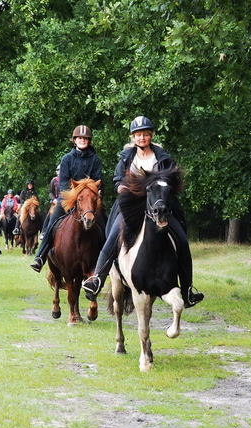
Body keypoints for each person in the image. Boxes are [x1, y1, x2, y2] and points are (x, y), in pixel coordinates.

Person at [81, 116, 204, 308]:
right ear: (133, 137)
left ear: (151, 136)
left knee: (181, 239)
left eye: (146, 134)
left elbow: (171, 180)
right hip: (132, 206)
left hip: (159, 205)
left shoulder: (163, 157)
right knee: (113, 235)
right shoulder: (126, 157)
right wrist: (122, 188)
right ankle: (97, 279)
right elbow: (117, 179)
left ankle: (187, 290)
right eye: (139, 135)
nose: (142, 138)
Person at [30, 125, 104, 272]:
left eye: (85, 138)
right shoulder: (67, 159)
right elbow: (63, 182)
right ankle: (40, 256)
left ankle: (108, 261)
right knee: (52, 224)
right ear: (74, 140)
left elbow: (98, 180)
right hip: (69, 199)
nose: (82, 140)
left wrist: (95, 193)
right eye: (80, 138)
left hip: (90, 200)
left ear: (89, 141)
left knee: (105, 225)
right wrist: (72, 197)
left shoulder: (95, 159)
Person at [40, 164, 61, 240]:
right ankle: (44, 231)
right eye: (58, 170)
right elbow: (50, 192)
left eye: (61, 170)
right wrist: (53, 199)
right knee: (49, 213)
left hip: (65, 201)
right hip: (56, 201)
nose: (60, 172)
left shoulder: (68, 180)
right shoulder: (54, 180)